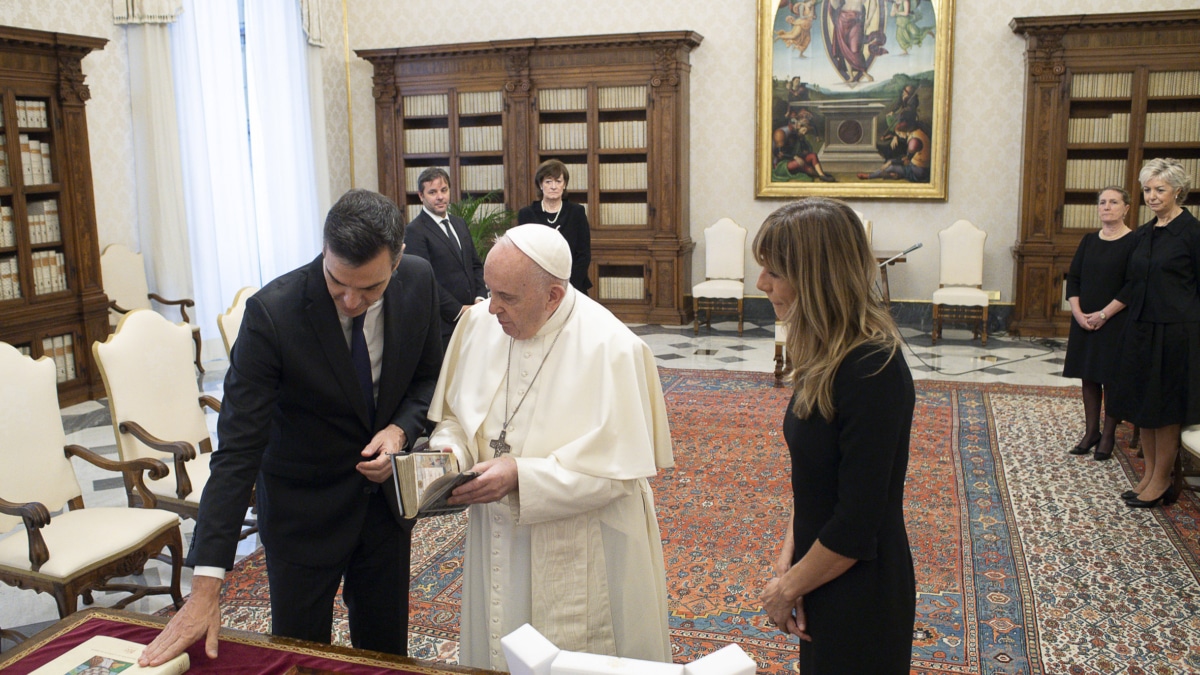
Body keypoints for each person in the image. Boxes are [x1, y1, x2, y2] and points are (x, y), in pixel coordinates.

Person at [139, 189, 444, 666]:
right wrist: (204, 587)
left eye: (369, 289)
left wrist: (400, 431)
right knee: (298, 655)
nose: (350, 300)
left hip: (383, 511)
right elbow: (238, 450)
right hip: (302, 512)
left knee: (385, 654)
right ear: (324, 251)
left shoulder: (420, 281)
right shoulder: (272, 315)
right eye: (338, 282)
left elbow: (429, 378)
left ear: (398, 260)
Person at [425, 224, 673, 671]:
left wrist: (521, 475)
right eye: (490, 291)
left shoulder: (613, 348)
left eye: (509, 298)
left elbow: (618, 477)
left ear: (554, 296)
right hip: (496, 534)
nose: (492, 308)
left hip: (580, 544)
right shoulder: (480, 324)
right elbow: (455, 419)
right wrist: (451, 456)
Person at [755, 198, 916, 673]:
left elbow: (857, 524)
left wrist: (785, 590)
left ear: (817, 278)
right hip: (821, 572)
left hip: (860, 590)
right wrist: (793, 559)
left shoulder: (870, 368)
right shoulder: (825, 352)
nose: (761, 283)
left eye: (774, 271)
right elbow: (817, 477)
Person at [1108, 158, 1199, 508]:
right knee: (1143, 406)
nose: (1152, 196)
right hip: (1141, 329)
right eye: (1147, 189)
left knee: (1165, 410)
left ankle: (1161, 479)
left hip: (1176, 332)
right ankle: (1147, 476)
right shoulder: (1144, 233)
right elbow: (1132, 283)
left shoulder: (1192, 233)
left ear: (1178, 191)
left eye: (1160, 189)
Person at [1062, 187, 1136, 461]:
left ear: (1126, 208)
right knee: (1088, 375)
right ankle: (1091, 431)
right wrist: (1079, 314)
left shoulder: (1134, 241)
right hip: (1084, 321)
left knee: (1111, 379)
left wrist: (1104, 314)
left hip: (1115, 320)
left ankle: (1108, 435)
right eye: (1102, 202)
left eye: (1114, 202)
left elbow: (1132, 286)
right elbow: (1074, 279)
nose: (1107, 206)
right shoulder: (1089, 240)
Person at [405, 167, 488, 347]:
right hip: (444, 325)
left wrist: (480, 299)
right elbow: (425, 281)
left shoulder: (459, 223)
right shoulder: (414, 231)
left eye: (444, 190)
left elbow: (475, 265)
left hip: (475, 318)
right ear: (421, 196)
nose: (440, 197)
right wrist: (459, 310)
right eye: (432, 192)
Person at [516, 159, 592, 294]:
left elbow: (583, 255)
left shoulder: (576, 212)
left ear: (564, 185)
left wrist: (566, 286)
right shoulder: (527, 214)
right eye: (548, 181)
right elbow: (524, 255)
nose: (553, 186)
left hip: (573, 286)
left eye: (558, 181)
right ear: (540, 185)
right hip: (537, 288)